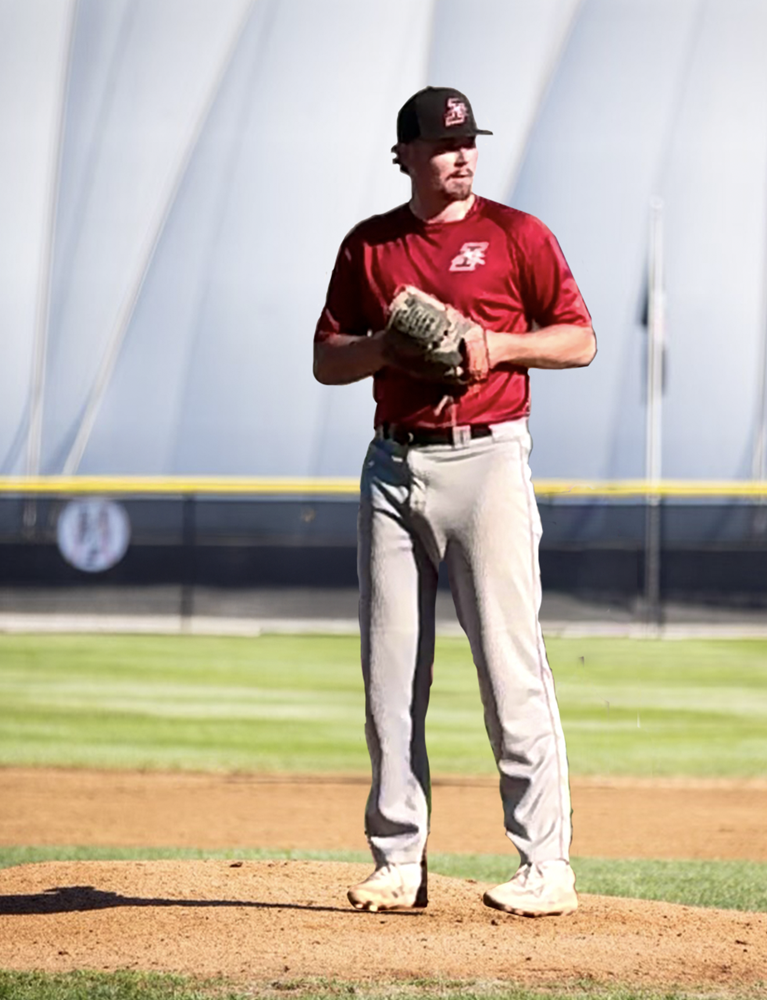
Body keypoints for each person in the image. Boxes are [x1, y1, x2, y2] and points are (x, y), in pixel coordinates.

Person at [313, 86, 596, 917]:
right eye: (442, 144)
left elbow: (579, 338)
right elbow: (328, 359)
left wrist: (495, 344)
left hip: (489, 461)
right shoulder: (370, 247)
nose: (462, 154)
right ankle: (399, 862)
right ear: (403, 155)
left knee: (511, 669)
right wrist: (381, 348)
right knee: (390, 675)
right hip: (395, 466)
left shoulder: (517, 234)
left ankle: (546, 866)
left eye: (469, 140)